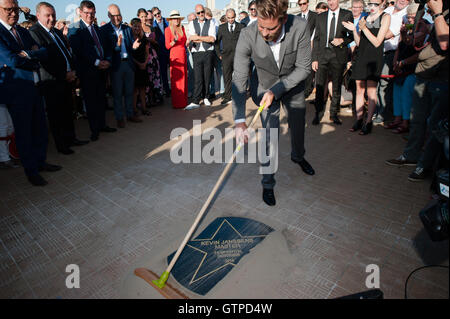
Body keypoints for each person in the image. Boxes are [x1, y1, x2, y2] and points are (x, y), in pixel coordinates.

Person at [233, 0, 313, 206]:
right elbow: (240, 78)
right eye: (261, 27)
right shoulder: (247, 34)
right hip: (263, 86)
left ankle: (298, 156)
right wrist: (239, 119)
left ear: (284, 19)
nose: (265, 33)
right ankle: (268, 184)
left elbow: (304, 68)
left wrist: (277, 90)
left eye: (271, 28)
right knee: (270, 137)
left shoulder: (300, 27)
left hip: (292, 86)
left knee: (298, 126)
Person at [0, 0, 62, 186]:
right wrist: (32, 54)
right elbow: (11, 60)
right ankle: (31, 171)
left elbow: (44, 52)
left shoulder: (23, 31)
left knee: (41, 129)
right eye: (8, 9)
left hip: (35, 87)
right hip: (16, 92)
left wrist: (27, 55)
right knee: (24, 133)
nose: (13, 13)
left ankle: (41, 162)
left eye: (16, 9)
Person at [386, 0, 448, 182]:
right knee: (417, 120)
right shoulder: (429, 16)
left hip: (441, 80)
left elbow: (444, 45)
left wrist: (437, 14)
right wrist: (407, 35)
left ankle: (425, 166)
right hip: (423, 75)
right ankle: (411, 156)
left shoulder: (440, 15)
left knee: (435, 125)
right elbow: (418, 45)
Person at [29, 2, 89, 155]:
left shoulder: (55, 31)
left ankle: (71, 138)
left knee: (68, 111)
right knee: (56, 115)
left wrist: (73, 71)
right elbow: (45, 61)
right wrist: (64, 74)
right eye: (47, 15)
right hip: (52, 81)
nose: (51, 18)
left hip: (67, 79)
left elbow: (67, 52)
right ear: (38, 16)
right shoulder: (34, 32)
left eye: (53, 15)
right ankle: (62, 145)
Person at [68, 1, 116, 142]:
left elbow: (105, 46)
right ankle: (94, 130)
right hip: (88, 72)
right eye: (87, 13)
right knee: (91, 101)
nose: (90, 15)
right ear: (80, 12)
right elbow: (79, 50)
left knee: (101, 99)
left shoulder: (97, 28)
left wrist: (107, 60)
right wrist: (96, 62)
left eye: (92, 13)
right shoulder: (74, 28)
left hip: (102, 70)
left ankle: (102, 125)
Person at [343, 0, 391, 135]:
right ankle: (358, 119)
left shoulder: (385, 17)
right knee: (358, 89)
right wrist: (354, 30)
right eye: (371, 3)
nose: (373, 6)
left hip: (373, 59)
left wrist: (363, 28)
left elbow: (377, 42)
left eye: (376, 3)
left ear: (383, 3)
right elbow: (359, 42)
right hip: (361, 57)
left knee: (371, 92)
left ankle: (368, 121)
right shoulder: (365, 17)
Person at [311, 0, 353, 126]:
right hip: (322, 55)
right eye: (329, 0)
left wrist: (342, 40)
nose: (331, 2)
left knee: (336, 86)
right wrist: (314, 59)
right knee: (319, 86)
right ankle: (318, 113)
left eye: (334, 0)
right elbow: (317, 38)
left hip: (338, 55)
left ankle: (334, 114)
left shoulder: (347, 14)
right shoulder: (320, 17)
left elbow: (351, 36)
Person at [385, 3, 425, 134]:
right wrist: (396, 61)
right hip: (401, 63)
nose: (410, 19)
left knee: (406, 93)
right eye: (408, 16)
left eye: (413, 17)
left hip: (412, 66)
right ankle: (397, 119)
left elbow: (412, 42)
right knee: (397, 92)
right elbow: (400, 45)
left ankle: (405, 122)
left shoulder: (423, 26)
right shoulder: (406, 24)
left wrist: (402, 62)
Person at [101, 4, 141, 128]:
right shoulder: (104, 30)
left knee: (129, 91)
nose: (117, 17)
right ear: (109, 15)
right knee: (117, 93)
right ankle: (119, 117)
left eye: (118, 15)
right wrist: (117, 46)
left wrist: (133, 47)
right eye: (114, 15)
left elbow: (129, 46)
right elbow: (106, 50)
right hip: (116, 66)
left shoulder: (126, 28)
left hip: (128, 64)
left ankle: (129, 114)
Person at [375, 0, 409, 125]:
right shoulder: (387, 10)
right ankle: (377, 110)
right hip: (377, 51)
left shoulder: (405, 15)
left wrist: (376, 32)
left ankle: (384, 114)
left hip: (391, 54)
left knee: (384, 84)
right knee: (376, 83)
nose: (402, 0)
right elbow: (372, 24)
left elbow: (388, 34)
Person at [185, 4, 216, 110]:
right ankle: (196, 100)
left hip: (208, 52)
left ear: (204, 11)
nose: (201, 14)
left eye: (202, 12)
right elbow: (192, 38)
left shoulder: (210, 22)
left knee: (207, 76)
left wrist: (198, 38)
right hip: (197, 52)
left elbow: (212, 39)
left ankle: (206, 97)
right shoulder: (192, 24)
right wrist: (204, 38)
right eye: (198, 13)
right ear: (196, 14)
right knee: (198, 77)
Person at [215, 8, 243, 105]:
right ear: (226, 17)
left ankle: (239, 96)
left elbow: (246, 42)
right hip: (226, 57)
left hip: (238, 56)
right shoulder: (221, 28)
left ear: (235, 16)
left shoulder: (241, 27)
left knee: (239, 77)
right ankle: (228, 96)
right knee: (227, 77)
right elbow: (217, 43)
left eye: (232, 17)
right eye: (229, 18)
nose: (231, 20)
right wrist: (219, 54)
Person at [137, 8, 162, 108]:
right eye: (142, 16)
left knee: (154, 78)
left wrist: (152, 41)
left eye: (145, 16)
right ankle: (145, 101)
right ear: (138, 17)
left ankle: (155, 99)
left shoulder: (151, 28)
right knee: (145, 79)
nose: (144, 18)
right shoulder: (136, 28)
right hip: (143, 56)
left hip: (153, 55)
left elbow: (156, 43)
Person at [165, 10, 188, 109]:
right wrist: (174, 41)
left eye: (177, 18)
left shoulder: (182, 28)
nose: (176, 20)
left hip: (183, 54)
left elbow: (185, 40)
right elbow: (167, 46)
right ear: (171, 20)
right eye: (174, 18)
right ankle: (177, 103)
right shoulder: (167, 29)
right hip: (175, 56)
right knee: (176, 79)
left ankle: (183, 101)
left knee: (184, 78)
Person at [297, 0, 317, 99]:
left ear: (308, 3)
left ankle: (307, 90)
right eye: (300, 4)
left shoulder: (315, 16)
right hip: (299, 48)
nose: (302, 6)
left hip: (311, 47)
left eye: (304, 3)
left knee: (309, 71)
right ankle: (300, 90)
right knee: (299, 69)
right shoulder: (296, 17)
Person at [152, 7, 170, 97]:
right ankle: (167, 91)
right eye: (155, 14)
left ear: (160, 12)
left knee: (173, 71)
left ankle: (175, 89)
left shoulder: (168, 22)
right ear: (153, 15)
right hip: (161, 52)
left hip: (170, 50)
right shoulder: (153, 26)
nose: (157, 15)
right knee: (163, 73)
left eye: (158, 13)